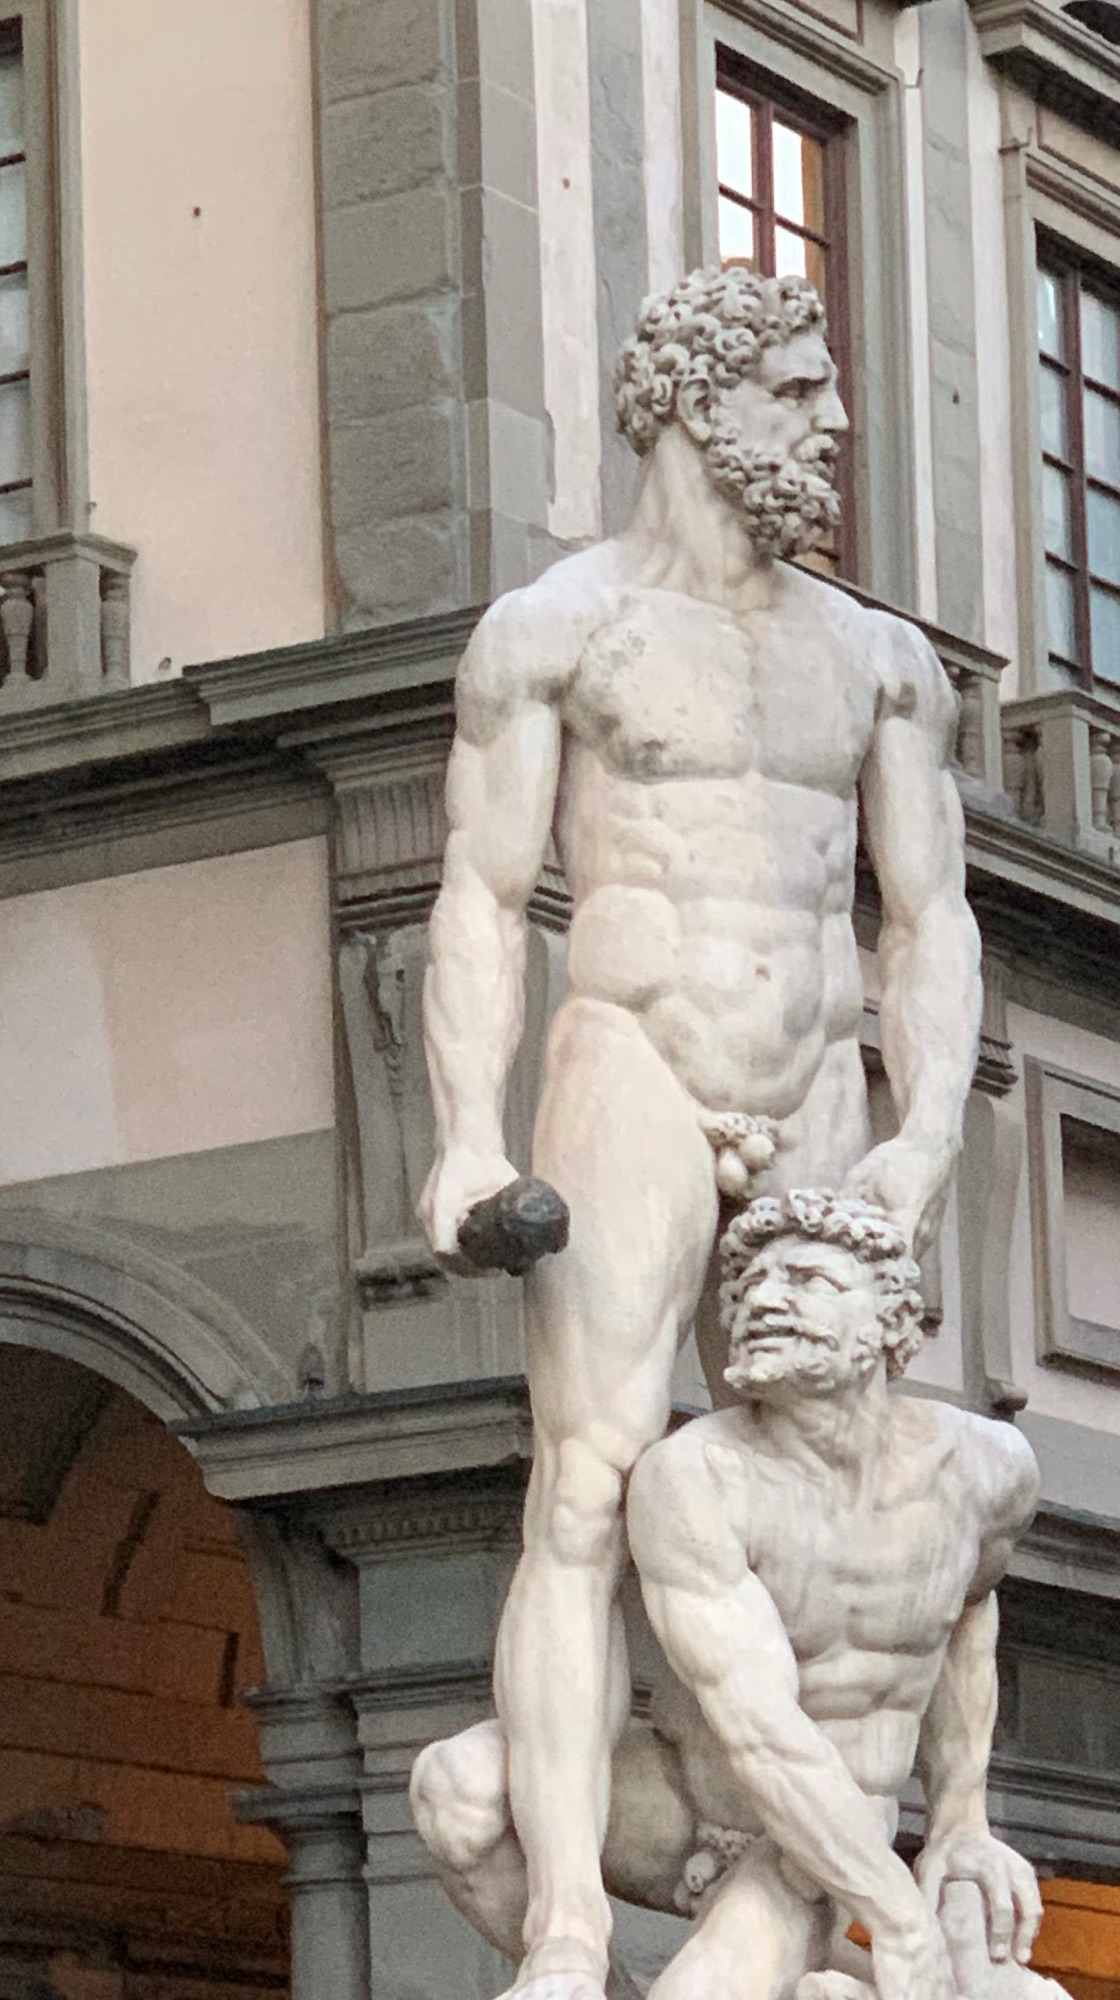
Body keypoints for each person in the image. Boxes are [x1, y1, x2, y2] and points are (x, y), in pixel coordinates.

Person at [417, 266, 982, 2000]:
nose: (832, 422)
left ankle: (814, 1858)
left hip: (819, 1076)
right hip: (636, 1061)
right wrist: (461, 1134)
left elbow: (928, 922)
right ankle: (575, 1927)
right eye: (801, 391)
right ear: (694, 402)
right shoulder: (557, 631)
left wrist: (924, 1137)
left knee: (833, 1472)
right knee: (584, 1488)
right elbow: (484, 896)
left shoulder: (881, 667)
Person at [412, 1194, 1050, 2000]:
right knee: (457, 1787)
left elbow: (966, 1612)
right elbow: (764, 1736)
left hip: (816, 1841)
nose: (768, 1298)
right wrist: (898, 1920)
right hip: (685, 1798)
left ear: (892, 1319)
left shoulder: (987, 1468)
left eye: (809, 1278)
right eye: (751, 1282)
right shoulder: (695, 1477)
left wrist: (961, 1817)